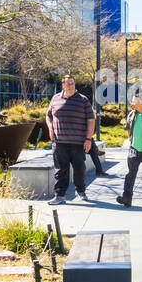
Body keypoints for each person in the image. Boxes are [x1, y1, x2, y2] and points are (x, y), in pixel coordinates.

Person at [45, 74, 95, 205]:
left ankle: (81, 192)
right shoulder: (55, 99)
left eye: (72, 83)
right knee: (61, 171)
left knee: (79, 169)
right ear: (63, 85)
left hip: (78, 143)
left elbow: (91, 120)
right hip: (59, 143)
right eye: (68, 84)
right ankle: (60, 196)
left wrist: (88, 139)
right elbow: (48, 116)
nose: (71, 86)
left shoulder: (83, 100)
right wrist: (50, 128)